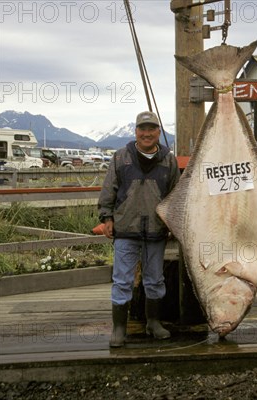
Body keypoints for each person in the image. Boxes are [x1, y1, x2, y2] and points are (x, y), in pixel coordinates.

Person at [98, 111, 180, 348]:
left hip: (156, 229)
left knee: (155, 279)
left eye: (151, 129)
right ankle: (119, 328)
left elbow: (175, 195)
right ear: (135, 131)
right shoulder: (121, 157)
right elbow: (108, 189)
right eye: (142, 129)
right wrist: (107, 217)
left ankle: (153, 322)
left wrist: (172, 222)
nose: (146, 133)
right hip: (125, 228)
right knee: (122, 280)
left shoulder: (169, 160)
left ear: (158, 132)